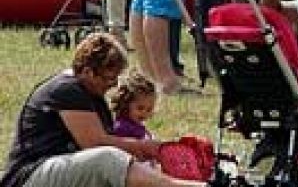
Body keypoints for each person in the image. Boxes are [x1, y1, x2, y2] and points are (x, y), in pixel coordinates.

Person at [1, 34, 204, 187]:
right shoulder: (67, 90)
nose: (114, 84)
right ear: (88, 71)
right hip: (29, 176)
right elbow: (94, 144)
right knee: (107, 158)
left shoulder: (91, 95)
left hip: (56, 168)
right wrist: (147, 147)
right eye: (109, 78)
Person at [107, 72, 158, 141]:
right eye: (140, 108)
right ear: (125, 104)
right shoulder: (122, 128)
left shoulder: (136, 126)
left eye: (149, 109)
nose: (144, 113)